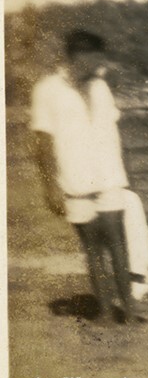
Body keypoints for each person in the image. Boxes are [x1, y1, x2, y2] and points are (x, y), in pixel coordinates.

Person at [31, 29, 137, 323]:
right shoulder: (47, 90)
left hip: (109, 176)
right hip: (75, 179)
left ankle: (130, 312)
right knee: (93, 249)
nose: (100, 65)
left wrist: (129, 174)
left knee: (118, 244)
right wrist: (50, 187)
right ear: (77, 57)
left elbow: (115, 131)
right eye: (95, 59)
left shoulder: (100, 86)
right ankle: (105, 312)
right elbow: (42, 144)